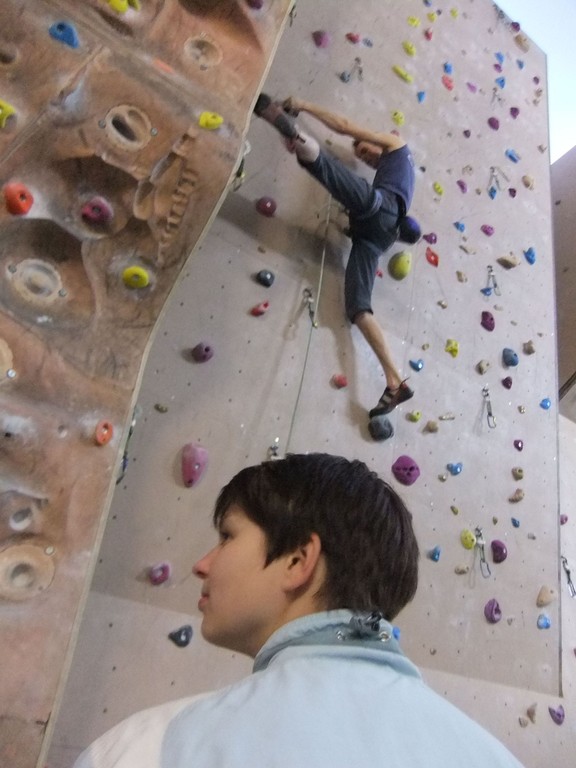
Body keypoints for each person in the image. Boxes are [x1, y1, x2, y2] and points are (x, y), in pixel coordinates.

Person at [75, 453, 525, 768]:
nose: (202, 564)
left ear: (297, 560)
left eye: (227, 536)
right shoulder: (500, 758)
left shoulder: (152, 748)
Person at [254, 94, 421, 418]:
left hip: (382, 208)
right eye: (362, 156)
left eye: (366, 152)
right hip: (378, 237)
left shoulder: (396, 145)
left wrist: (304, 105)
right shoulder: (403, 172)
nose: (368, 158)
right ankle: (394, 379)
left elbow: (344, 127)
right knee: (358, 308)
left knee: (336, 177)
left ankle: (294, 132)